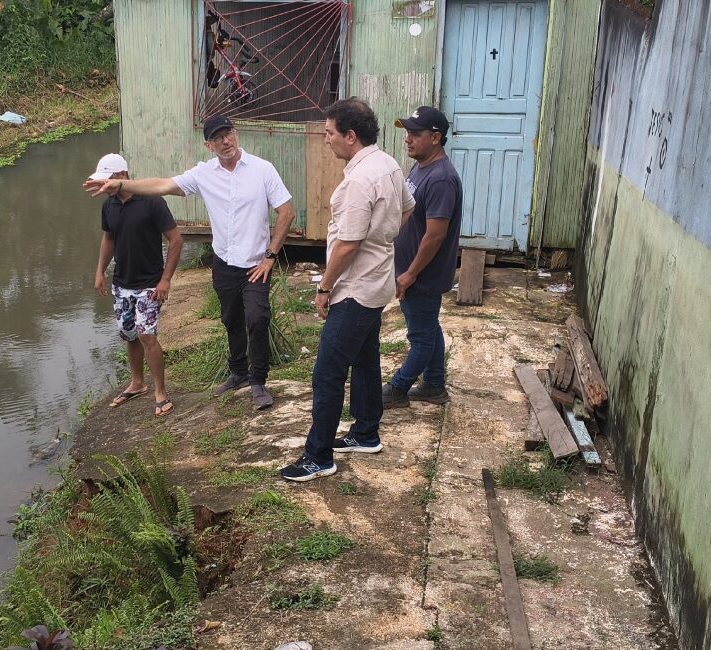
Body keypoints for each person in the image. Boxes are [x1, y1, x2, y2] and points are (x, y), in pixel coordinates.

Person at [84, 116, 296, 410]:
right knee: (230, 319)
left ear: (236, 135)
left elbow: (286, 212)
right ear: (209, 145)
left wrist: (270, 256)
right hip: (223, 262)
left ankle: (258, 380)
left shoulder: (262, 170)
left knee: (257, 318)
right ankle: (238, 373)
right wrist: (121, 183)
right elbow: (162, 185)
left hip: (255, 264)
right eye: (218, 138)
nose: (226, 141)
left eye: (229, 134)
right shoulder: (203, 174)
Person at [280, 98, 414, 482]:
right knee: (366, 360)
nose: (326, 140)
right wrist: (383, 240)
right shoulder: (387, 163)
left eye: (329, 133)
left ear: (350, 136)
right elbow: (407, 208)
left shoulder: (359, 179)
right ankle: (366, 432)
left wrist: (324, 287)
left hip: (355, 289)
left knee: (327, 373)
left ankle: (318, 455)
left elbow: (348, 244)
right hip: (377, 282)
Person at [89, 153, 184, 417]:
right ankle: (137, 383)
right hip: (122, 283)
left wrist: (165, 280)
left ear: (122, 177)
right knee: (129, 334)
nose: (103, 186)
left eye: (107, 180)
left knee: (147, 335)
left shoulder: (152, 201)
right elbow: (108, 238)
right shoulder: (109, 205)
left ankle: (160, 392)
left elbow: (176, 240)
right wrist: (100, 272)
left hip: (149, 284)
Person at [383, 106, 462, 408]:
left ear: (436, 138)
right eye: (407, 132)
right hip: (413, 268)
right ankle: (434, 385)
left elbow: (435, 234)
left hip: (423, 274)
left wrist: (411, 272)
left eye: (416, 134)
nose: (408, 139)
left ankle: (398, 388)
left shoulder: (441, 178)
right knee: (429, 326)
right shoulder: (422, 166)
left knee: (421, 336)